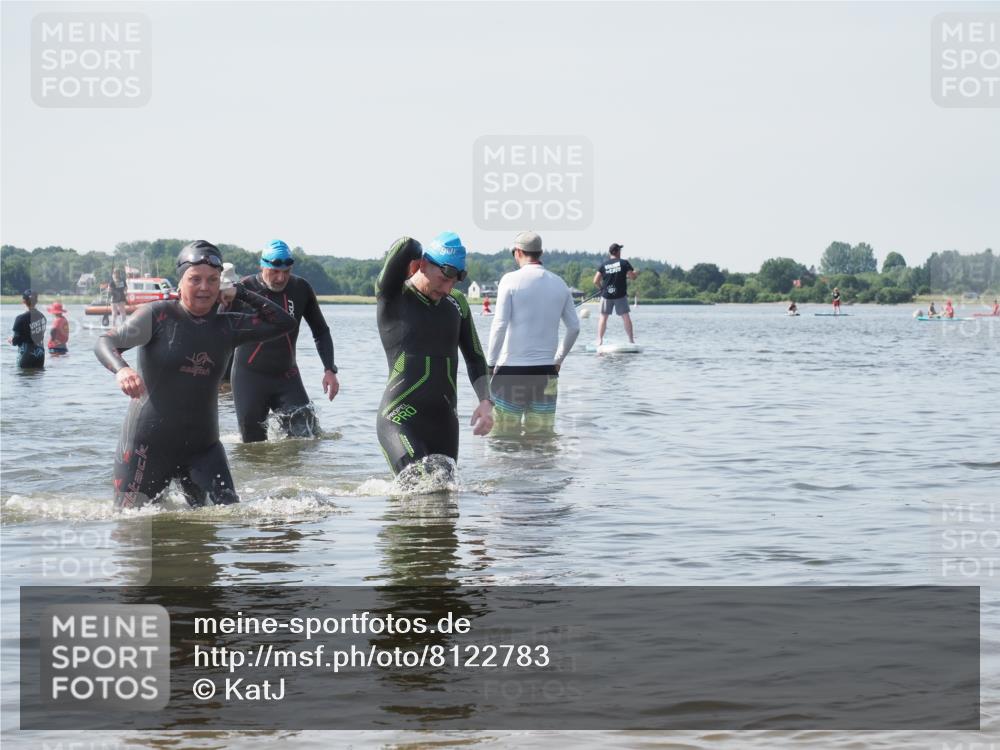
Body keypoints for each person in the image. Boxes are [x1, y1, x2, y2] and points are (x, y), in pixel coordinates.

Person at [94, 240, 296, 509]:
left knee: (227, 519)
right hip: (147, 448)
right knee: (132, 529)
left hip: (204, 450)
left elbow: (284, 322)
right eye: (195, 279)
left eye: (213, 280)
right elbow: (105, 343)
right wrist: (122, 369)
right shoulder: (158, 316)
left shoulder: (228, 325)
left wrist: (240, 292)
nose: (204, 287)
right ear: (180, 281)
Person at [375, 232, 493, 475]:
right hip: (399, 417)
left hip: (444, 421)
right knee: (416, 484)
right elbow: (403, 246)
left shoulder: (457, 303)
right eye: (443, 279)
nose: (448, 288)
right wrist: (419, 250)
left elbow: (475, 356)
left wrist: (485, 401)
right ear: (422, 265)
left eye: (454, 283)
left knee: (446, 500)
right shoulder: (393, 296)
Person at [229, 240, 339, 442]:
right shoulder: (243, 288)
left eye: (287, 271)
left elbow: (321, 331)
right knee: (252, 447)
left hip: (287, 377)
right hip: (249, 377)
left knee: (307, 439)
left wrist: (329, 369)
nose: (281, 278)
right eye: (275, 271)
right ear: (262, 266)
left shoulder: (300, 288)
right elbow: (218, 329)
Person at [487, 231, 580, 435]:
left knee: (503, 439)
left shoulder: (510, 280)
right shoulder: (560, 283)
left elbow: (500, 324)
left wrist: (490, 365)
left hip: (511, 373)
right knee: (541, 439)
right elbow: (574, 327)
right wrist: (558, 359)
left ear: (518, 252)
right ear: (541, 253)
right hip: (546, 373)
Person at [594, 242, 638, 345]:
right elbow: (632, 277)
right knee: (625, 317)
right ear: (617, 251)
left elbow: (595, 280)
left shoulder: (604, 265)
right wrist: (635, 273)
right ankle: (631, 341)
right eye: (620, 250)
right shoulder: (624, 263)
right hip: (620, 295)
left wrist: (601, 288)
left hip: (606, 295)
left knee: (603, 317)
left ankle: (599, 340)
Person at [9, 290, 46, 369]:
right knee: (37, 379)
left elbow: (16, 341)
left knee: (24, 379)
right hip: (40, 354)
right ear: (36, 301)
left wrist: (11, 340)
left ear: (23, 301)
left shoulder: (20, 318)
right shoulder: (42, 317)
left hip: (26, 355)